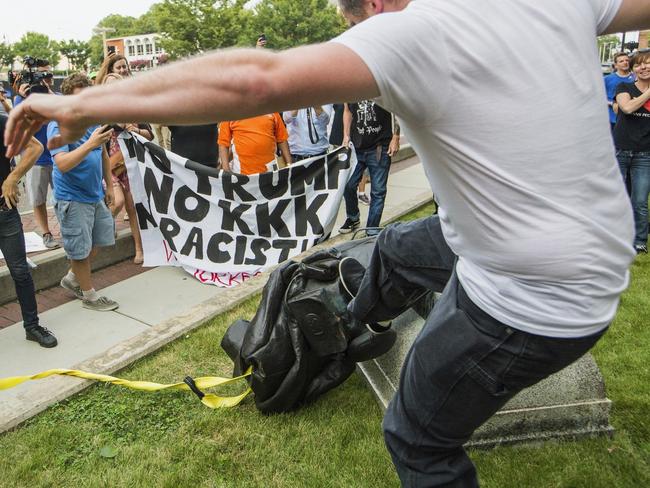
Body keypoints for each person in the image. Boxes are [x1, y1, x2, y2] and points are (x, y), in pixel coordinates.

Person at [5, 1, 647, 485]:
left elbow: (254, 80)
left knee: (415, 436)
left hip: (532, 298)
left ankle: (361, 339)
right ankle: (350, 324)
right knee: (395, 248)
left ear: (374, 8)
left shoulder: (415, 29)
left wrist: (84, 103)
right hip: (561, 248)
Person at [46, 74, 119, 312]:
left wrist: (108, 185)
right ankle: (89, 295)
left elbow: (104, 155)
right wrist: (90, 143)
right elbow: (62, 163)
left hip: (95, 194)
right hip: (72, 197)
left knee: (103, 238)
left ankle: (72, 278)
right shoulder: (58, 125)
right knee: (79, 250)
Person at [0, 114, 58, 347]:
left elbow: (35, 147)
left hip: (5, 212)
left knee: (20, 271)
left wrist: (13, 177)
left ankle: (32, 326)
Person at [100, 72, 152, 265]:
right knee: (118, 200)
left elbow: (150, 134)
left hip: (130, 163)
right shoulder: (101, 110)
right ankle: (101, 226)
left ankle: (139, 248)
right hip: (110, 163)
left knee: (132, 207)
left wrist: (135, 129)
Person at [12, 60, 60, 249]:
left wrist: (48, 93)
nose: (45, 79)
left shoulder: (55, 96)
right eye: (41, 76)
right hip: (36, 159)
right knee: (38, 199)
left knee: (62, 197)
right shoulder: (22, 99)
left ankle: (66, 227)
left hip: (57, 155)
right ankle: (46, 233)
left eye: (48, 75)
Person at [339, 100, 400, 235]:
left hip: (380, 147)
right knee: (348, 185)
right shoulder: (348, 86)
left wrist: (396, 137)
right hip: (357, 147)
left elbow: (396, 108)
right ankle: (353, 218)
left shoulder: (377, 83)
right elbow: (347, 110)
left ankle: (371, 230)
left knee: (377, 192)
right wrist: (346, 135)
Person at [614, 50, 650, 254]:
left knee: (640, 201)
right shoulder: (624, 86)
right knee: (616, 196)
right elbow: (627, 108)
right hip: (621, 150)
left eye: (647, 63)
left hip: (645, 154)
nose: (643, 67)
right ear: (633, 69)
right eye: (638, 64)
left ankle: (639, 240)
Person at [218, 114, 293, 174]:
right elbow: (223, 143)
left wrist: (289, 164)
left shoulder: (272, 111)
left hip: (270, 171)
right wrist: (226, 169)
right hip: (242, 175)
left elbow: (282, 140)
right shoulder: (230, 114)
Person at [605, 52, 635, 131]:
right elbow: (598, 97)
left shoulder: (636, 77)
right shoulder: (607, 79)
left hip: (631, 119)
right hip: (612, 119)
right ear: (615, 65)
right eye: (621, 61)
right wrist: (612, 103)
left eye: (627, 60)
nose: (625, 62)